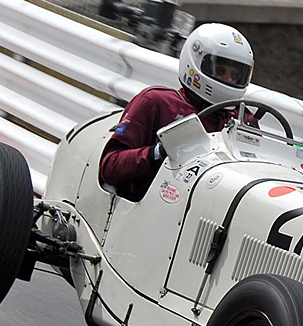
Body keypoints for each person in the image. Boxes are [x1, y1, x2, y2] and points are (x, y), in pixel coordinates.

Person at [99, 22, 254, 201]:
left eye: (235, 75)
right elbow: (109, 167)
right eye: (220, 71)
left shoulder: (244, 120)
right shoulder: (157, 102)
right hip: (151, 207)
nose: (229, 79)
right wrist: (158, 153)